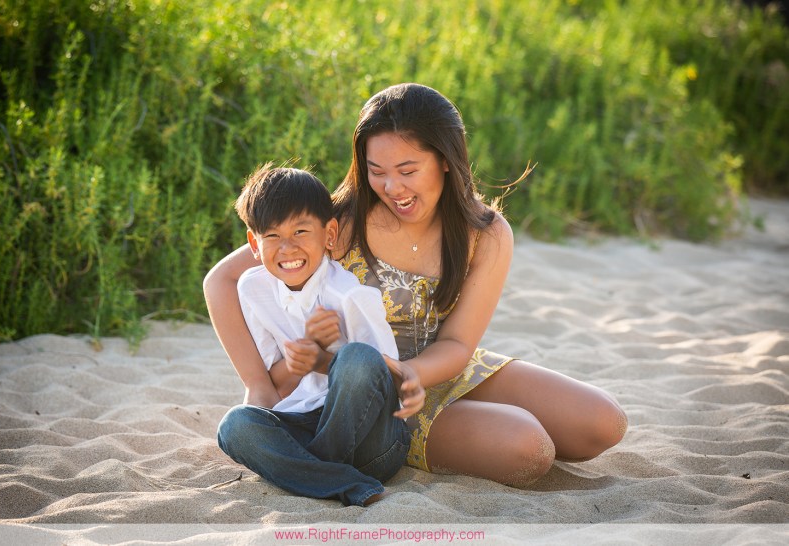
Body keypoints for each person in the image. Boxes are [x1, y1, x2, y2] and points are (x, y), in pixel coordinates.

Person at [205, 83, 627, 491]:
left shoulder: (485, 232)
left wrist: (413, 372)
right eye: (377, 171)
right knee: (529, 449)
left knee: (603, 422)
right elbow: (221, 280)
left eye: (408, 170)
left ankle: (461, 414)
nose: (393, 188)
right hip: (366, 392)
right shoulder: (342, 221)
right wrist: (259, 385)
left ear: (445, 159)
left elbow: (459, 342)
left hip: (437, 366)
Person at [215, 164, 425, 507]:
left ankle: (309, 473)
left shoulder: (349, 296)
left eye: (300, 232)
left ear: (329, 234)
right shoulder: (253, 289)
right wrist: (307, 350)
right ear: (254, 243)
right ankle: (338, 480)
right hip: (307, 424)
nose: (287, 248)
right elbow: (277, 382)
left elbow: (382, 374)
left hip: (372, 443)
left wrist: (324, 357)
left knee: (355, 357)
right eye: (272, 236)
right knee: (235, 425)